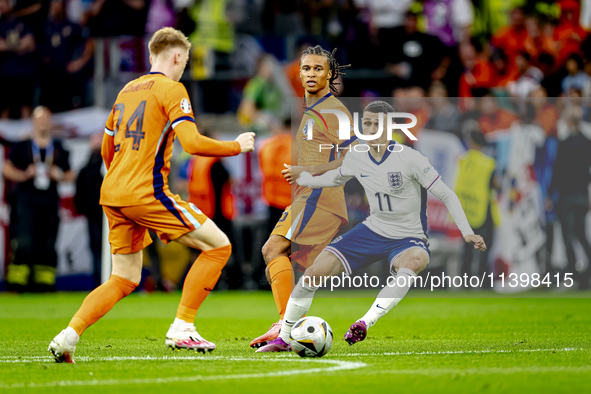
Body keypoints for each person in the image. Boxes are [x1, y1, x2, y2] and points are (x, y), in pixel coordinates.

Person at [48, 27, 255, 363]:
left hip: (113, 193)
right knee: (219, 246)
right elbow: (192, 143)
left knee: (124, 277)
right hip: (147, 192)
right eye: (185, 61)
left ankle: (67, 336)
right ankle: (183, 327)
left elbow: (106, 149)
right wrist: (237, 145)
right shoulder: (172, 89)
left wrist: (123, 180)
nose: (184, 67)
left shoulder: (125, 92)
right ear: (176, 56)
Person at [256, 101, 485, 352]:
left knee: (414, 261)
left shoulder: (410, 158)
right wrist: (306, 177)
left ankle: (365, 322)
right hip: (372, 230)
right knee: (312, 275)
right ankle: (284, 340)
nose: (372, 127)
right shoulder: (357, 156)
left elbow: (447, 194)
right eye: (367, 123)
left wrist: (467, 232)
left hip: (409, 236)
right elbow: (334, 177)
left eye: (377, 123)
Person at [249, 45, 355, 349]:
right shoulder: (313, 110)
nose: (311, 74)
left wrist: (308, 171)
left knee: (273, 249)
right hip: (312, 197)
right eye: (306, 68)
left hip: (320, 197)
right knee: (301, 268)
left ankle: (285, 327)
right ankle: (287, 326)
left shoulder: (334, 111)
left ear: (330, 74)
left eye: (318, 69)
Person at [4, 107, 74, 292]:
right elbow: (6, 169)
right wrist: (24, 174)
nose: (43, 123)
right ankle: (18, 283)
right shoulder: (22, 146)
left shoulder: (58, 148)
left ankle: (44, 284)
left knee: (48, 242)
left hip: (49, 201)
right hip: (26, 199)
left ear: (50, 122)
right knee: (25, 240)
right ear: (33, 122)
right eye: (39, 119)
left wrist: (58, 175)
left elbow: (71, 174)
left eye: (46, 119)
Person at [548, 107, 591, 290]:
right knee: (581, 236)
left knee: (568, 237)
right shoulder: (588, 142)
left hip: (566, 196)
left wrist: (550, 194)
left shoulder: (564, 144)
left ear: (568, 122)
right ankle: (586, 277)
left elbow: (557, 171)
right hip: (582, 195)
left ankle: (573, 276)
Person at [455, 130, 498, 286]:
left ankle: (465, 282)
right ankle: (484, 283)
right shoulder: (489, 162)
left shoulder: (462, 160)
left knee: (466, 250)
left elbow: (457, 185)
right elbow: (495, 185)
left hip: (466, 210)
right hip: (484, 211)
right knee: (484, 248)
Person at [74, 133, 104, 288]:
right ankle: (100, 281)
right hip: (95, 214)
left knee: (109, 250)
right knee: (98, 248)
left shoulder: (108, 165)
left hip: (109, 215)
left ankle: (110, 282)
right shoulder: (88, 168)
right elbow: (79, 193)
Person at [258, 118, 292, 235]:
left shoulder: (266, 145)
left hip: (272, 198)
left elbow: (262, 169)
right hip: (292, 200)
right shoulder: (300, 146)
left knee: (272, 235)